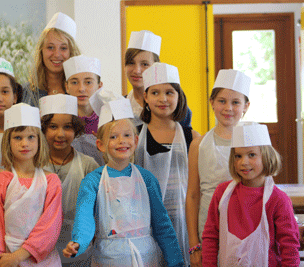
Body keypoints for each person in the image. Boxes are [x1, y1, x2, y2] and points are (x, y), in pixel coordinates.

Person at [63, 90, 184, 267]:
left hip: (146, 259)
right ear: (101, 145)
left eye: (127, 135)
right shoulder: (92, 182)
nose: (122, 141)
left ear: (135, 141)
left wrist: (176, 262)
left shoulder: (147, 179)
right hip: (108, 260)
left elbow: (162, 225)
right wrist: (78, 243)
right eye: (113, 137)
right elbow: (85, 220)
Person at [202, 122, 300, 266]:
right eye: (238, 156)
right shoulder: (222, 194)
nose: (244, 162)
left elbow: (289, 247)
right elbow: (210, 237)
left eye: (252, 155)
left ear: (266, 156)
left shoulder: (278, 200)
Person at [135, 62, 200, 266]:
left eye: (169, 92)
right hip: (145, 222)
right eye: (155, 92)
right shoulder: (134, 135)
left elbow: (197, 188)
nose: (162, 99)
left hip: (184, 222)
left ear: (179, 96)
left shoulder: (193, 137)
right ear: (145, 97)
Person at [0, 103, 62, 266]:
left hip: (42, 258)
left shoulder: (51, 181)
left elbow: (50, 226)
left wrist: (19, 255)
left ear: (39, 140)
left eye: (31, 137)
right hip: (6, 258)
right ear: (8, 142)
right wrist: (0, 259)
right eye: (18, 137)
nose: (24, 143)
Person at [185, 69, 251, 267]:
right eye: (222, 101)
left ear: (246, 106)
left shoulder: (252, 145)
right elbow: (193, 195)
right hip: (209, 229)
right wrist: (194, 244)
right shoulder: (199, 144)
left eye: (235, 102)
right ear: (211, 102)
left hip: (246, 227)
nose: (228, 108)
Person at [40, 94, 99, 266]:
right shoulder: (35, 166)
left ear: (76, 130)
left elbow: (96, 211)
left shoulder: (88, 165)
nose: (60, 134)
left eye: (67, 127)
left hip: (81, 252)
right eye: (53, 127)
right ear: (43, 129)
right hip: (43, 252)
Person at [125, 30, 192, 127]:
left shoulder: (177, 108)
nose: (137, 70)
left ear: (156, 66)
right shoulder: (120, 106)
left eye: (145, 64)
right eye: (131, 63)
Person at [23, 12, 81, 107]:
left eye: (63, 48)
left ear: (72, 52)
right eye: (50, 47)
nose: (57, 54)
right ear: (41, 51)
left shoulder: (81, 93)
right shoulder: (25, 92)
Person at [64, 55, 104, 165]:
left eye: (88, 82)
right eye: (74, 82)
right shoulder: (61, 121)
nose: (81, 89)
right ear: (67, 87)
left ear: (99, 86)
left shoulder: (109, 119)